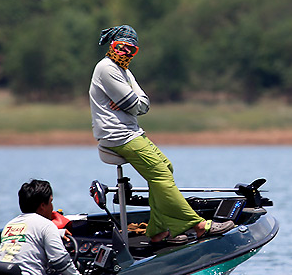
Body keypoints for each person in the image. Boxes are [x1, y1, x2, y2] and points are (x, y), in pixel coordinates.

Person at [90, 25, 234, 244]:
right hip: (118, 135)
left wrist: (131, 103)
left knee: (166, 167)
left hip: (131, 132)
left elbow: (143, 105)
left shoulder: (125, 72)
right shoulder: (106, 68)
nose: (126, 52)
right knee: (161, 175)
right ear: (112, 45)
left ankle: (157, 231)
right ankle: (198, 225)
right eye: (122, 47)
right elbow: (132, 102)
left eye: (132, 50)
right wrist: (131, 103)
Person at [0, 179, 85, 275]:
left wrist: (58, 233)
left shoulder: (10, 225)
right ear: (43, 205)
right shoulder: (46, 225)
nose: (52, 207)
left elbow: (28, 236)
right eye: (51, 201)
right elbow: (60, 261)